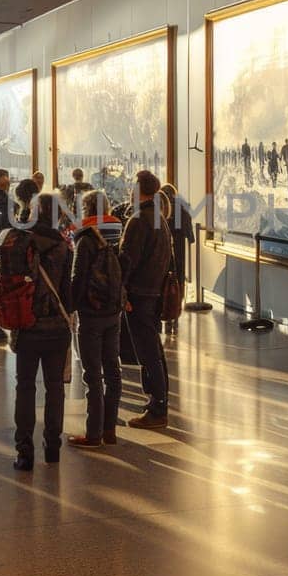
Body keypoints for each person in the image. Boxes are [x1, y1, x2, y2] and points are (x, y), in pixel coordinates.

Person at [0, 193, 72, 470]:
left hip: (27, 325)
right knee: (54, 390)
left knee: (25, 388)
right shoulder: (63, 246)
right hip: (57, 328)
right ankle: (52, 449)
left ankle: (24, 451)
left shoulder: (18, 241)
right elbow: (68, 293)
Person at [67, 190, 125, 449]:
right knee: (113, 370)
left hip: (91, 313)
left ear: (87, 210)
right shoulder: (116, 234)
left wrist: (71, 306)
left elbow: (78, 277)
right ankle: (109, 429)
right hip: (113, 310)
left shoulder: (86, 239)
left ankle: (93, 433)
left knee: (92, 375)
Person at [120, 171, 174, 430]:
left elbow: (127, 260)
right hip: (153, 292)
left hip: (139, 295)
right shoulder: (159, 218)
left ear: (139, 189)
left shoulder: (139, 220)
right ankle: (159, 402)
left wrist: (122, 291)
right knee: (154, 350)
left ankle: (157, 407)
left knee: (148, 352)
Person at [161, 183, 195, 339]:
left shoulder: (160, 207)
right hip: (179, 249)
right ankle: (175, 315)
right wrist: (190, 237)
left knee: (164, 281)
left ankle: (165, 314)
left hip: (163, 249)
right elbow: (189, 232)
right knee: (178, 281)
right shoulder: (182, 207)